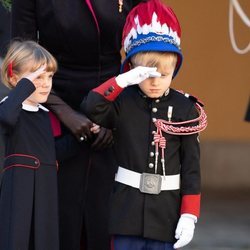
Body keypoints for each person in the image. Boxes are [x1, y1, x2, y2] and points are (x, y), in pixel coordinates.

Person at [11, 1, 142, 249]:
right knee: (58, 220)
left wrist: (116, 117)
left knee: (105, 222)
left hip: (116, 99)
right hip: (50, 100)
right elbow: (21, 53)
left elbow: (146, 54)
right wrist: (63, 111)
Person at [83, 0, 208, 249]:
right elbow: (91, 107)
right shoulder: (123, 102)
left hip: (166, 215)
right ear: (133, 69)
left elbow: (191, 169)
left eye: (164, 74)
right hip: (125, 214)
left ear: (175, 69)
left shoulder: (185, 109)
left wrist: (189, 215)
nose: (155, 82)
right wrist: (121, 80)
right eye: (147, 74)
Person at [0, 40, 59, 250]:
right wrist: (24, 87)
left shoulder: (46, 116)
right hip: (19, 193)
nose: (45, 83)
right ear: (15, 78)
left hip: (46, 193)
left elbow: (53, 151)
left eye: (49, 76)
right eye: (37, 77)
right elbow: (6, 117)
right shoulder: (9, 109)